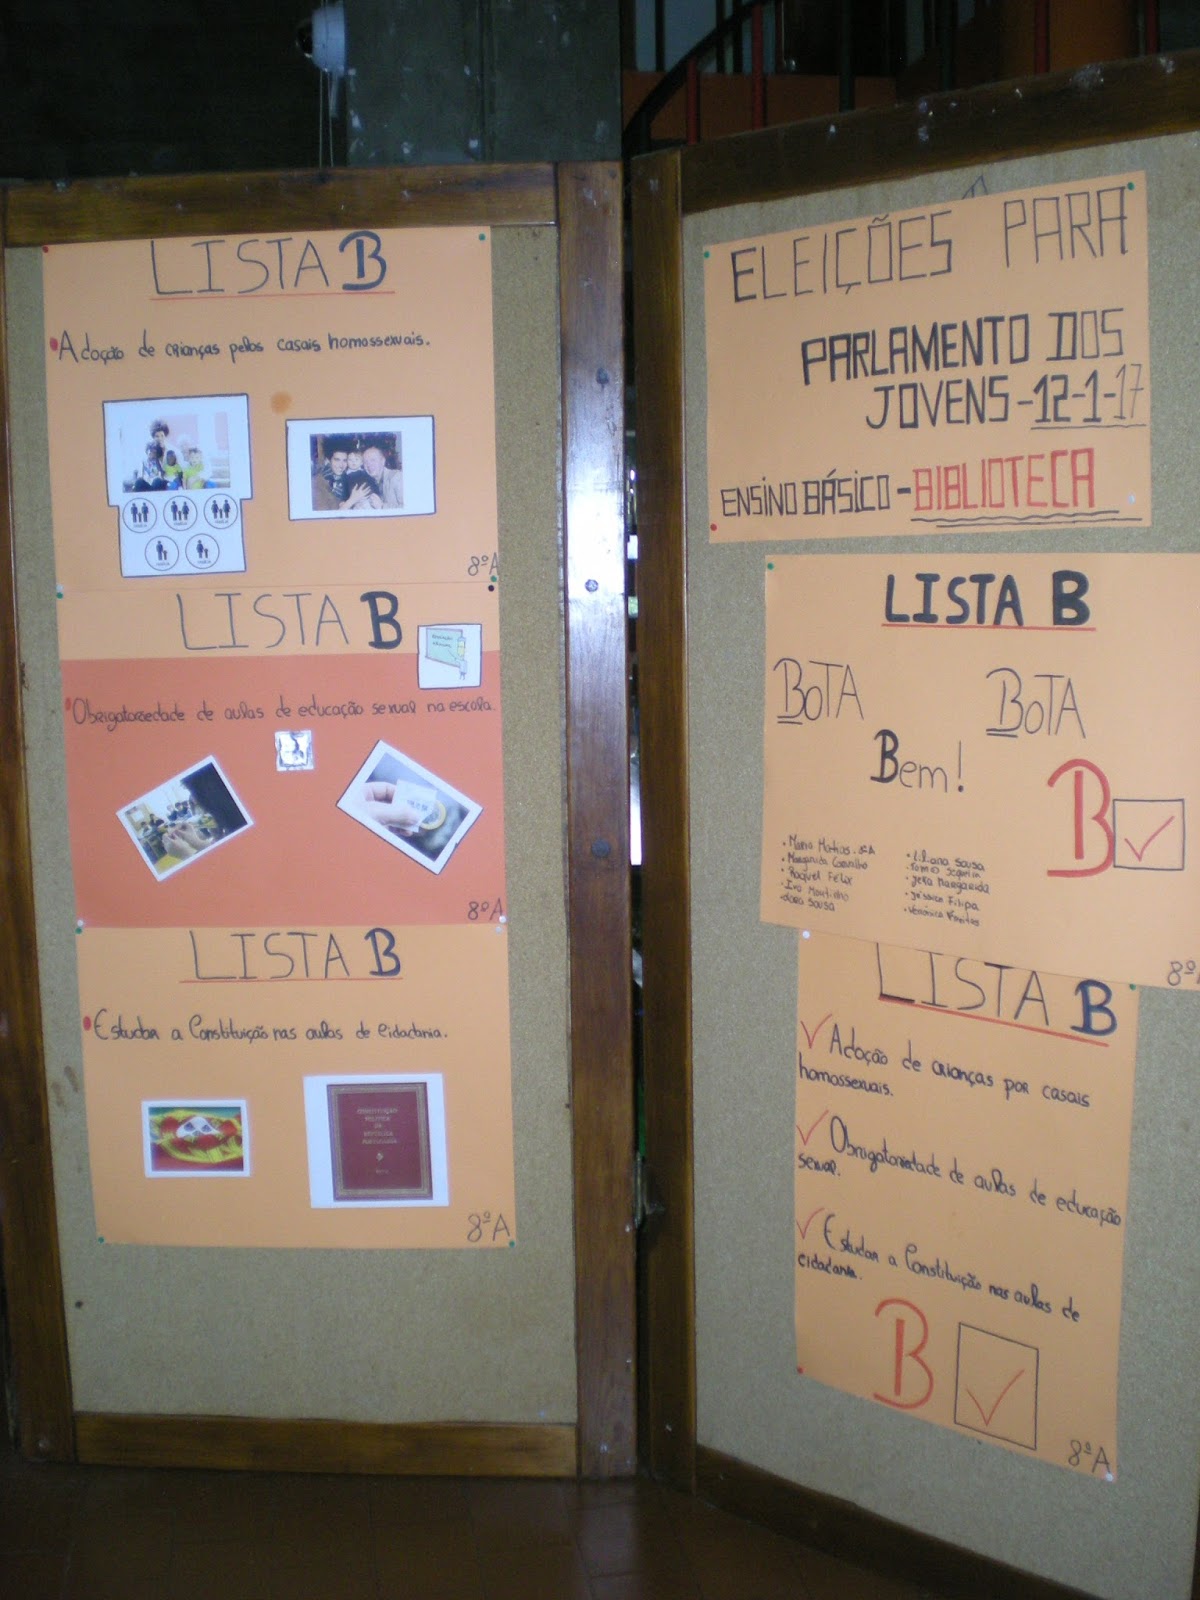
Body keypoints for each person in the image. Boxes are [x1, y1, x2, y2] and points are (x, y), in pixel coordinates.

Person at [311, 436, 351, 510]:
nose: (341, 465)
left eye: (345, 460)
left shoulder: (348, 479)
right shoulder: (316, 482)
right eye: (337, 460)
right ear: (328, 460)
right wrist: (352, 500)